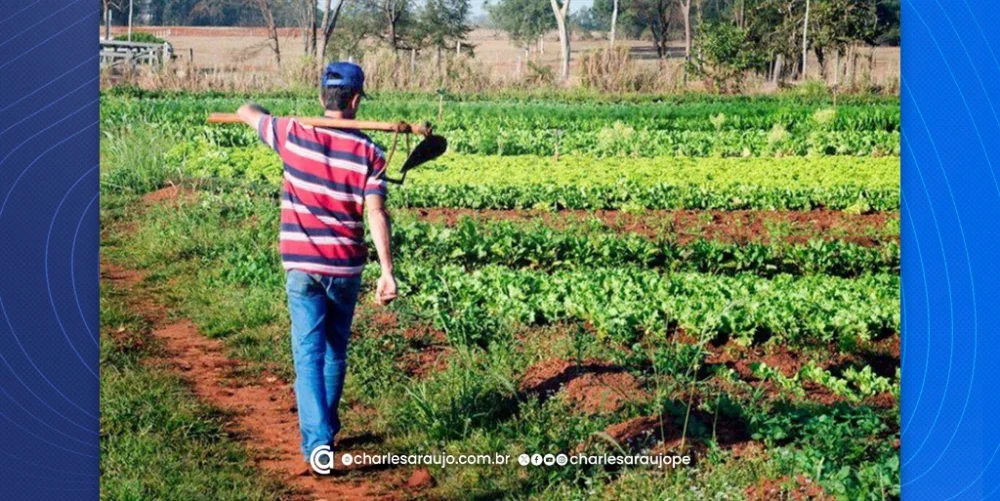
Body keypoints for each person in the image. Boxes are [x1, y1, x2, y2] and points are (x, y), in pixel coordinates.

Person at [236, 62, 397, 475]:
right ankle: (323, 429)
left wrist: (259, 110)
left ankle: (319, 443)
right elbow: (377, 214)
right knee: (334, 352)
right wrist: (387, 270)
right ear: (357, 100)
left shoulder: (291, 132)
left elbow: (245, 110)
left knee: (308, 355)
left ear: (321, 98)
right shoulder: (370, 152)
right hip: (345, 266)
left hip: (302, 265)